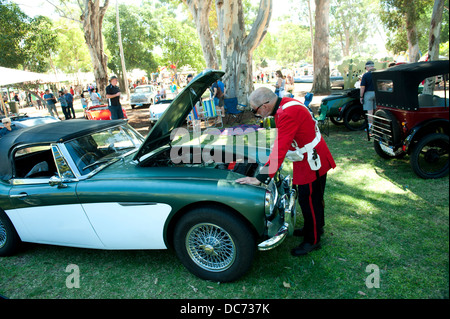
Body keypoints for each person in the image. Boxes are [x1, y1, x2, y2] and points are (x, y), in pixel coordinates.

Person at [236, 87, 336, 256]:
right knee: (314, 197)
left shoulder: (286, 114)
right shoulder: (286, 104)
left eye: (255, 110)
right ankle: (314, 227)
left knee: (309, 200)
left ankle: (313, 240)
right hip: (312, 155)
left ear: (265, 106)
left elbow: (280, 148)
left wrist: (261, 177)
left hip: (311, 161)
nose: (256, 114)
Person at [360, 61, 376, 126]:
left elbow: (362, 87)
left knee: (370, 111)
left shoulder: (366, 75)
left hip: (368, 94)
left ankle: (370, 126)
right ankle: (377, 125)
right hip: (377, 93)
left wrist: (361, 96)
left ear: (367, 67)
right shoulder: (378, 73)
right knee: (377, 110)